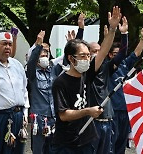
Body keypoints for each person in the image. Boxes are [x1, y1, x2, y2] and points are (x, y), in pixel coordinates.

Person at [50, 6, 121, 153]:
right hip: (67, 142)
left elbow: (103, 52)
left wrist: (113, 29)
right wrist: (88, 111)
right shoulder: (60, 82)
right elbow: (63, 115)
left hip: (87, 139)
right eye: (83, 56)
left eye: (88, 55)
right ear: (71, 58)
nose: (87, 59)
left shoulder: (87, 74)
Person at [88, 16, 129, 154]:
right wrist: (111, 31)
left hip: (109, 120)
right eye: (94, 51)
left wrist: (123, 34)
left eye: (100, 51)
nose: (98, 54)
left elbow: (122, 54)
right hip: (92, 123)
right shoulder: (86, 71)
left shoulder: (106, 68)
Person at [109, 25, 143, 154]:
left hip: (125, 112)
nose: (118, 57)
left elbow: (136, 54)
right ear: (110, 55)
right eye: (115, 54)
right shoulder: (106, 69)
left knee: (122, 144)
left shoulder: (125, 66)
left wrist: (142, 39)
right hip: (112, 112)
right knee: (111, 144)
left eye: (118, 54)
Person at [27, 30, 63, 154]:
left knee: (53, 149)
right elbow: (31, 62)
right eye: (41, 55)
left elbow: (67, 60)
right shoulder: (32, 73)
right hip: (39, 118)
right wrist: (38, 46)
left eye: (46, 54)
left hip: (53, 117)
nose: (44, 56)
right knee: (39, 149)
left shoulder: (53, 70)